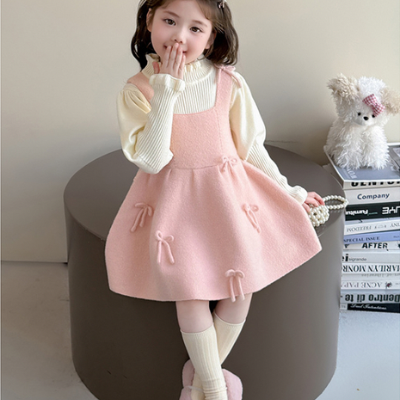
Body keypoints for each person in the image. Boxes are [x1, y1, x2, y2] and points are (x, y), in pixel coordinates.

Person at [105, 0, 324, 399]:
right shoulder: (137, 91)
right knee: (190, 294)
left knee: (240, 288)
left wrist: (288, 190)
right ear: (150, 20)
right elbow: (151, 160)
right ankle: (215, 391)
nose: (179, 36)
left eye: (195, 28)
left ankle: (198, 387)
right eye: (170, 21)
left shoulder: (228, 83)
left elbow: (251, 148)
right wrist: (166, 89)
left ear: (210, 40)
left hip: (226, 202)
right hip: (175, 208)